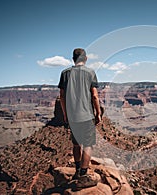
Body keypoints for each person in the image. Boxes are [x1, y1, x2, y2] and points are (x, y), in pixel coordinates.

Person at [58, 48, 101, 185]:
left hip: (72, 116)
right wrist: (98, 113)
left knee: (76, 144)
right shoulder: (90, 73)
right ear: (86, 58)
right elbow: (94, 96)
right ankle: (83, 174)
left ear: (73, 59)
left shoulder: (65, 73)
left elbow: (62, 96)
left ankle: (77, 171)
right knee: (88, 145)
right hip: (87, 115)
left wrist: (65, 113)